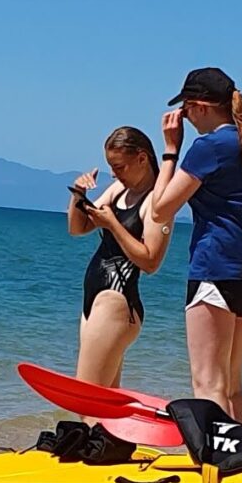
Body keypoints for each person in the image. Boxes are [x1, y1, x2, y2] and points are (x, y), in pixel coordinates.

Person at [145, 65, 242, 420]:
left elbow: (159, 209)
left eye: (185, 108)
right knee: (231, 385)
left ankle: (218, 463)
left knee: (208, 384)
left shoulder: (209, 146)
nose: (182, 116)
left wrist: (171, 150)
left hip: (217, 264)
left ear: (200, 106)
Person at [66, 126, 161, 387]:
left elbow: (151, 261)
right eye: (111, 166)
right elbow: (78, 228)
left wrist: (113, 225)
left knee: (86, 398)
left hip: (117, 301)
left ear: (142, 159)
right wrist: (78, 195)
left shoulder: (156, 201)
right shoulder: (119, 190)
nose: (114, 173)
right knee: (105, 402)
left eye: (119, 167)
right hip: (94, 301)